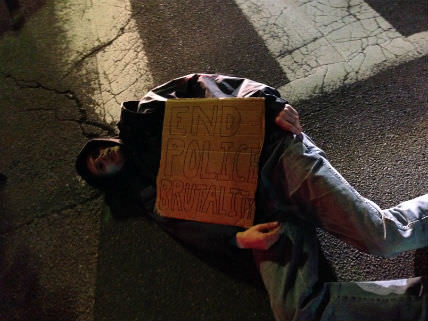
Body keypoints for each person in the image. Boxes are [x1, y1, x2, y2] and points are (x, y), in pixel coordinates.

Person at [76, 74, 427, 321]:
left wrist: (268, 104)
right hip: (262, 217)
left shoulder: (144, 114)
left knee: (381, 236)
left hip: (277, 161)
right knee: (296, 311)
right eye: (97, 168)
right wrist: (241, 239)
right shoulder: (154, 198)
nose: (100, 159)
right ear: (110, 182)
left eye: (97, 153)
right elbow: (195, 231)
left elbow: (212, 85)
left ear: (105, 143)